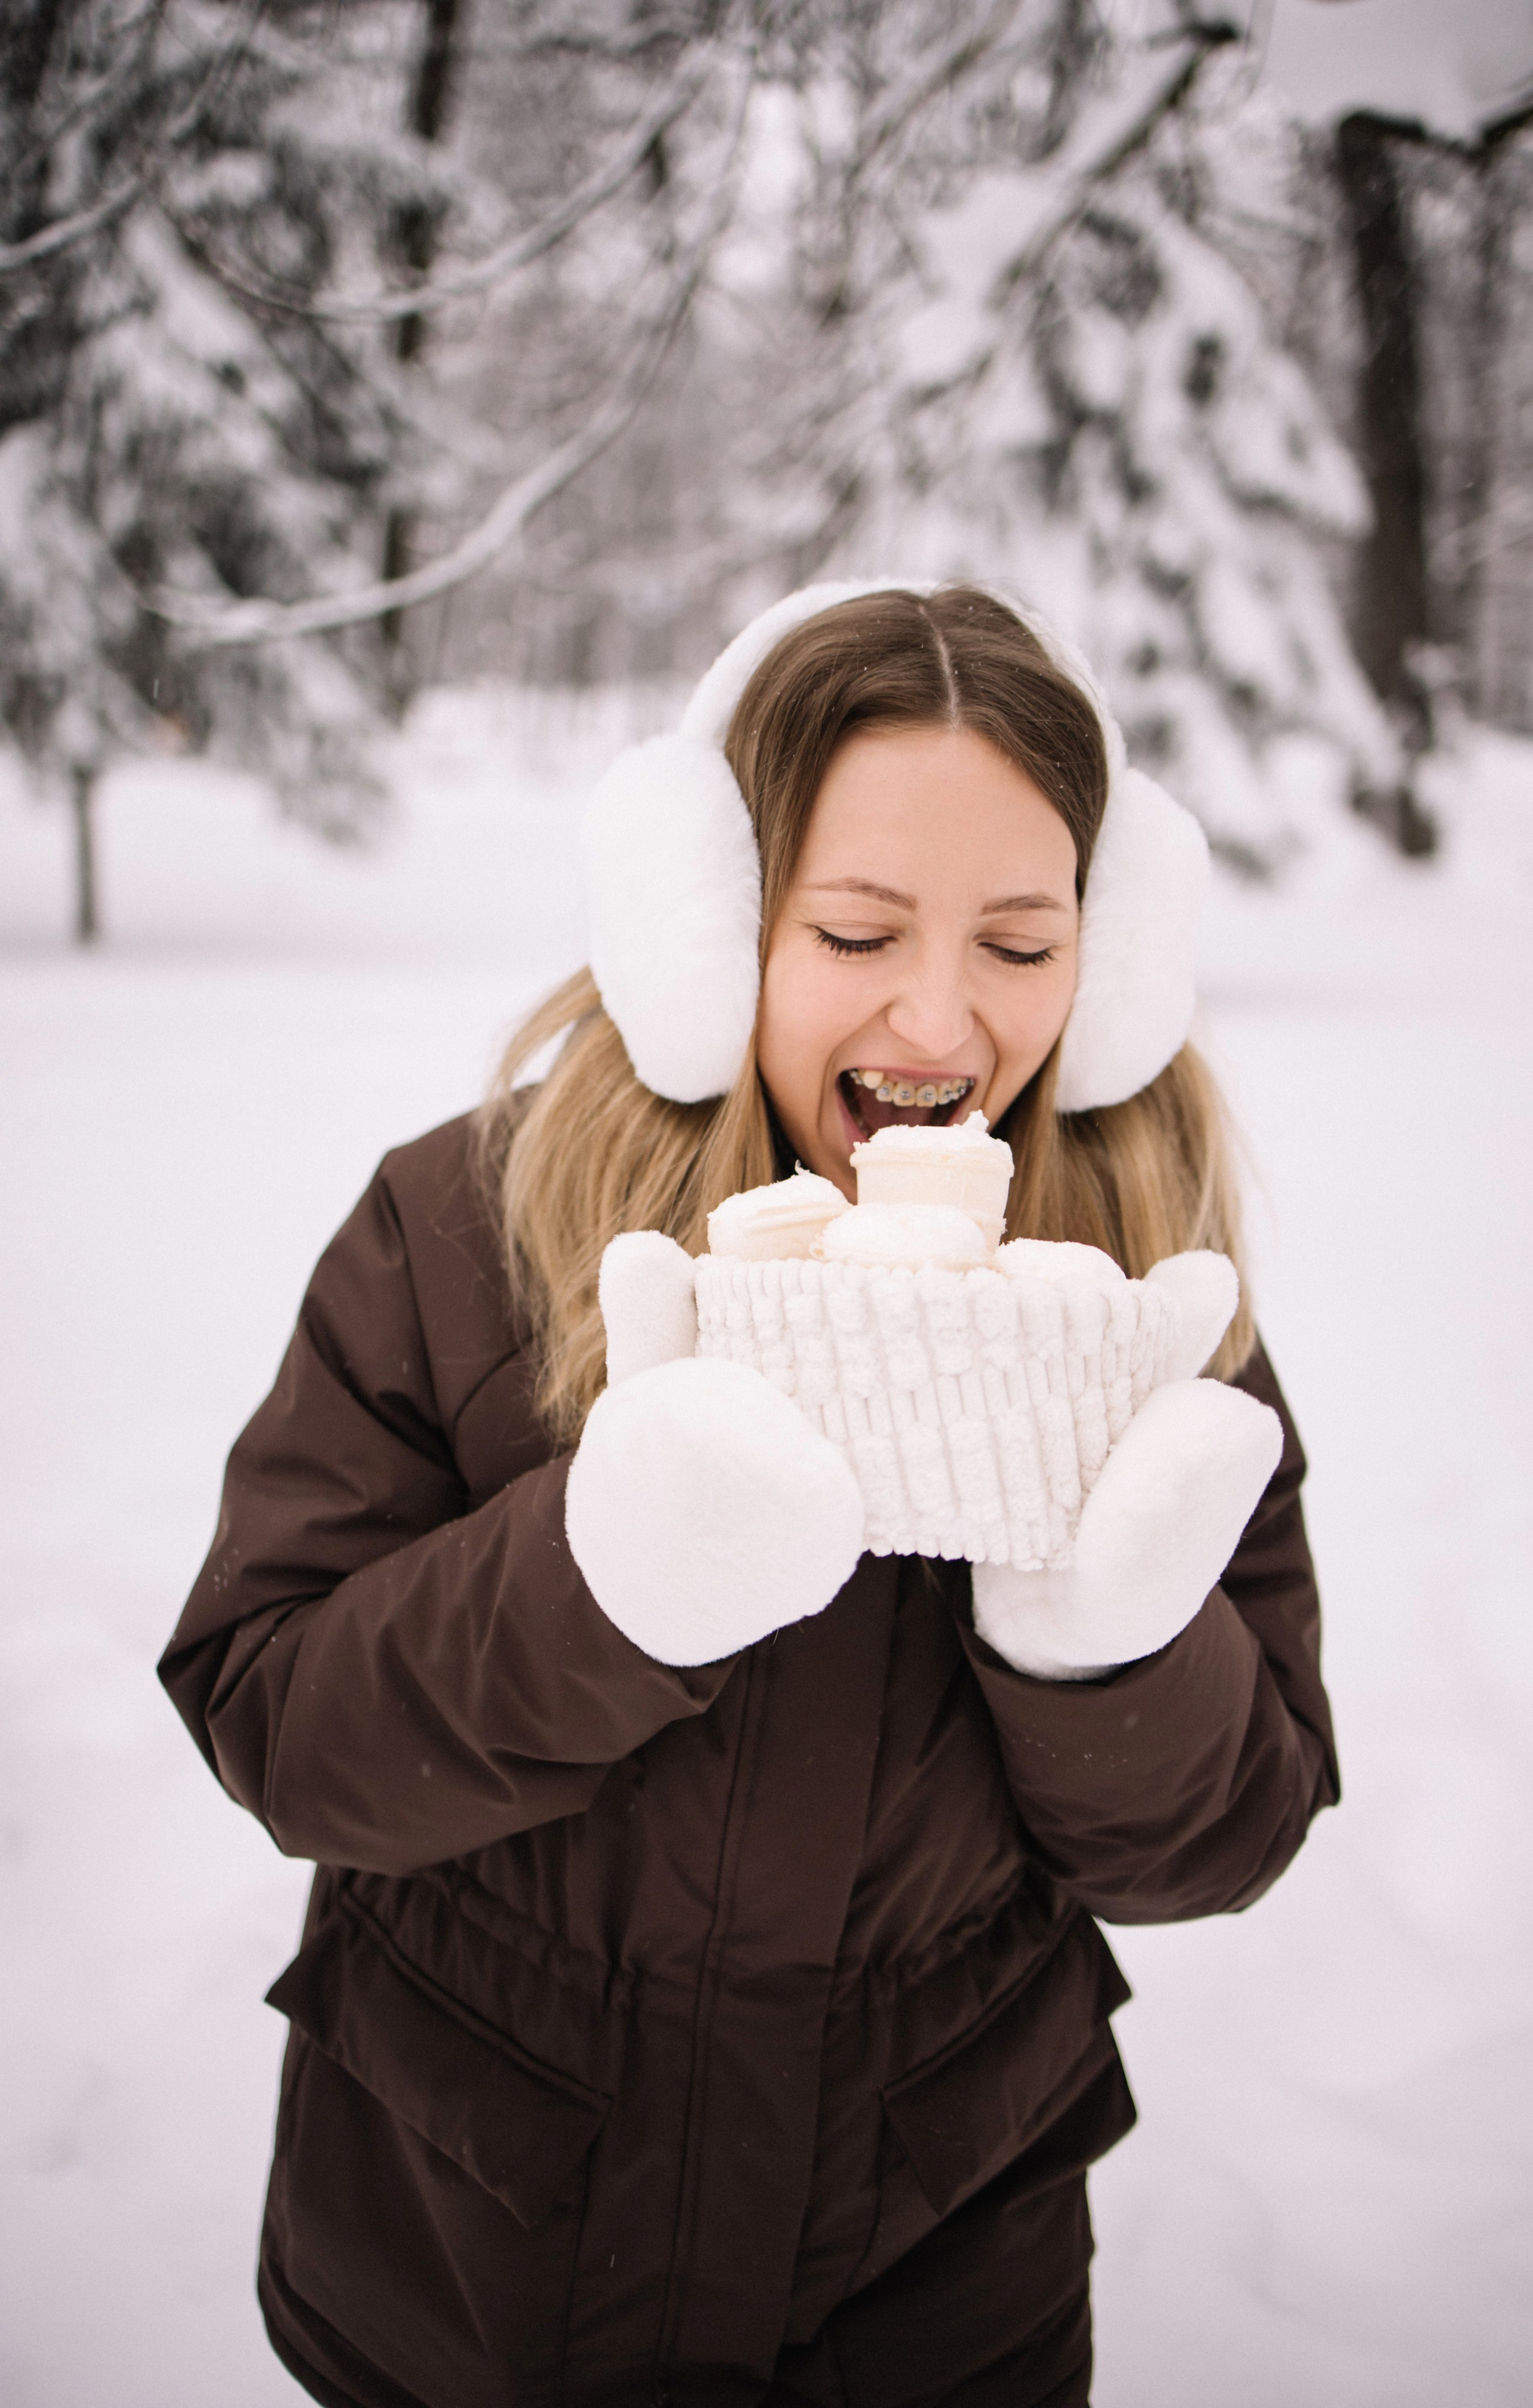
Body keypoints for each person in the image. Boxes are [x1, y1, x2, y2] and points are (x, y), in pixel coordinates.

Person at [160, 581, 1337, 2408]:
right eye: (856, 928)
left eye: (1023, 947)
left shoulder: (1141, 1296)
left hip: (937, 2296)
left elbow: (1224, 1838)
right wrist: (592, 1588)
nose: (940, 1018)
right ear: (710, 934)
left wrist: (1107, 1653)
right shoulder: (460, 1236)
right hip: (466, 2282)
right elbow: (278, 1724)